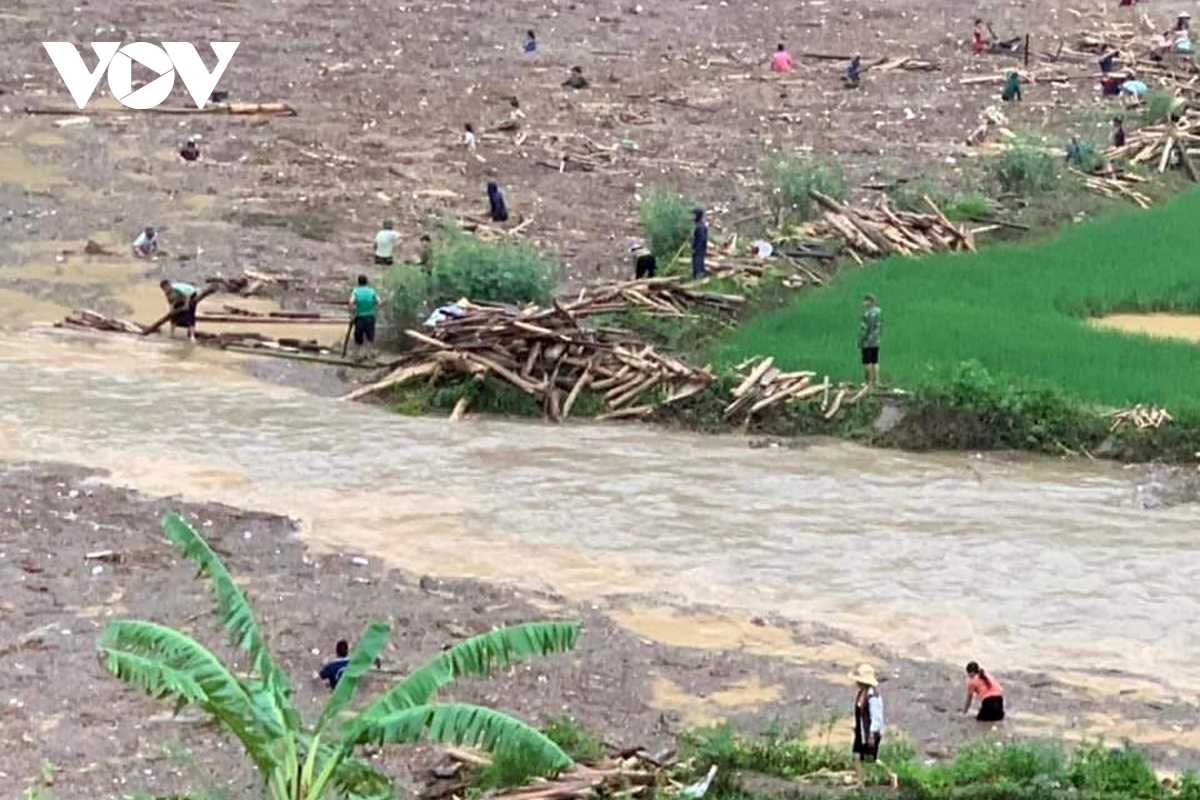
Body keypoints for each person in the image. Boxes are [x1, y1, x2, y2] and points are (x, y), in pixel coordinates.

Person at [850, 664, 885, 773]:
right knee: (856, 756)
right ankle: (860, 783)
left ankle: (891, 775)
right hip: (861, 731)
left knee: (871, 760)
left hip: (870, 733)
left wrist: (871, 735)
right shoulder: (862, 693)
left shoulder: (873, 697)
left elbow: (876, 718)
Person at [348, 275, 380, 358]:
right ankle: (368, 354)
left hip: (360, 317)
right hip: (370, 316)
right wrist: (374, 308)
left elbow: (351, 302)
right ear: (367, 282)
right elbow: (379, 302)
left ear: (358, 282)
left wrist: (352, 314)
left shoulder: (356, 291)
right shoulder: (371, 291)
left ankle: (356, 355)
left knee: (358, 336)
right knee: (370, 336)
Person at [859, 294, 882, 386]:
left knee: (867, 362)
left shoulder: (867, 314)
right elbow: (879, 326)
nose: (863, 303)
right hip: (876, 341)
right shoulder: (879, 312)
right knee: (875, 361)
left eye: (865, 301)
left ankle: (867, 382)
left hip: (867, 342)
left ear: (870, 302)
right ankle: (876, 381)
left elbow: (864, 329)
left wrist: (861, 340)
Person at [691, 207, 708, 279]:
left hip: (699, 248)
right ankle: (695, 274)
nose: (692, 217)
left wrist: (697, 247)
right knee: (696, 260)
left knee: (698, 260)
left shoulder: (700, 226)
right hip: (697, 247)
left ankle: (699, 274)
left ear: (698, 215)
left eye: (694, 215)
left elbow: (702, 238)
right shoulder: (698, 225)